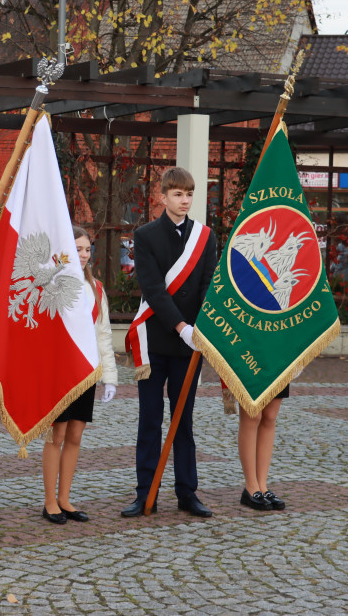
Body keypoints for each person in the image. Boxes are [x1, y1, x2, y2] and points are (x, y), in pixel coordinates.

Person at [121, 166, 217, 518]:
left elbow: (208, 286)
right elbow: (153, 289)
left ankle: (187, 492)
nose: (184, 200)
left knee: (184, 420)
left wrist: (198, 329)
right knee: (150, 419)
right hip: (156, 338)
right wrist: (180, 325)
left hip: (190, 343)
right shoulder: (145, 235)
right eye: (177, 194)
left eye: (189, 194)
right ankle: (145, 493)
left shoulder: (206, 237)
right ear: (163, 196)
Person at [41, 226, 119, 524]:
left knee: (75, 435)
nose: (84, 255)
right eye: (78, 250)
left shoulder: (96, 288)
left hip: (86, 373)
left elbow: (103, 334)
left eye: (87, 249)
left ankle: (65, 499)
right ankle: (49, 501)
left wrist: (109, 377)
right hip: (60, 372)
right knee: (56, 435)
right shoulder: (53, 286)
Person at [237, 382, 290, 511]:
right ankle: (251, 486)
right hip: (249, 362)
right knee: (252, 415)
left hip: (277, 361)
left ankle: (262, 486)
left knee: (270, 416)